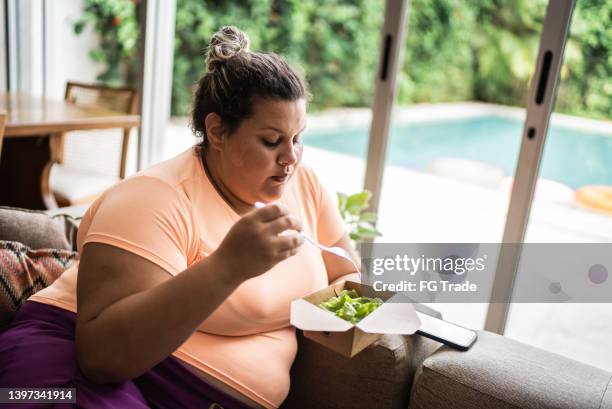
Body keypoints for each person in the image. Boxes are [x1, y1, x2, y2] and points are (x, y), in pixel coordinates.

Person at [0, 26, 360, 409]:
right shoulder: (154, 197)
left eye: (297, 138)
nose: (290, 158)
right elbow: (101, 357)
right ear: (217, 131)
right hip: (66, 368)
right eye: (271, 141)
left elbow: (346, 272)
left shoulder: (305, 186)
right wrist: (228, 267)